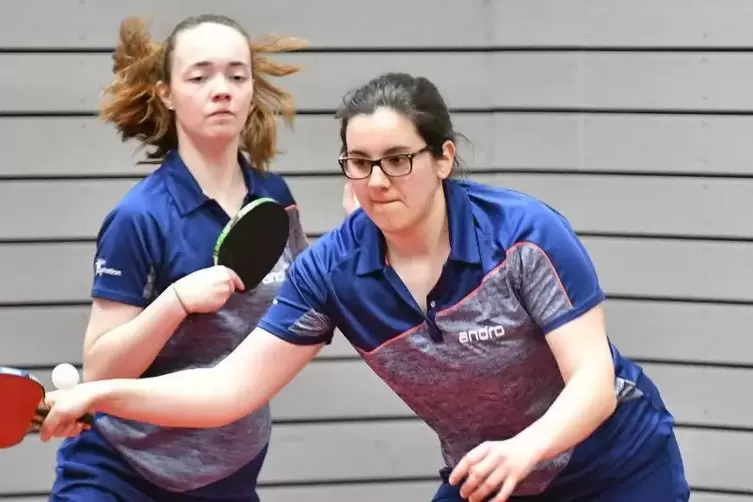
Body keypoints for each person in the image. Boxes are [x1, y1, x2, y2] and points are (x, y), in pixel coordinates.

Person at [41, 72, 691, 502]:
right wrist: (102, 393)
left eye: (397, 160)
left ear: (442, 158)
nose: (376, 181)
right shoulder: (332, 272)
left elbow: (593, 383)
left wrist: (524, 448)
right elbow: (226, 388)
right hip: (489, 475)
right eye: (358, 162)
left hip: (615, 466)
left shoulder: (523, 235)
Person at [47, 14, 316, 502]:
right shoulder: (140, 217)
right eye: (200, 76)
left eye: (237, 76)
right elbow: (101, 371)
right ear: (167, 93)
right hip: (121, 474)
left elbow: (313, 303)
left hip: (230, 472)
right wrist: (174, 302)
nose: (223, 90)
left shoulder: (275, 201)